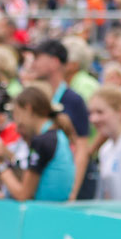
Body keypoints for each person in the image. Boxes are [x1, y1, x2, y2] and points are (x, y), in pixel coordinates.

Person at [0, 86, 76, 202]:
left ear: (28, 109)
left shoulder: (42, 140)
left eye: (15, 114)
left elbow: (22, 195)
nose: (16, 124)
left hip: (45, 213)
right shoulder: (57, 134)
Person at [26, 40, 93, 198]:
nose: (33, 64)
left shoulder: (74, 100)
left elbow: (81, 148)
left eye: (37, 58)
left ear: (54, 62)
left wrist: (72, 192)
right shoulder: (35, 97)